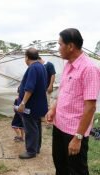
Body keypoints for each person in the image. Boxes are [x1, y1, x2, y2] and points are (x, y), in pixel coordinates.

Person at [45, 28, 100, 175]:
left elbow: (90, 107)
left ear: (70, 46)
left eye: (60, 44)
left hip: (74, 132)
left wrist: (78, 137)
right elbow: (63, 92)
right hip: (59, 125)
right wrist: (53, 109)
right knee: (60, 166)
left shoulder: (89, 69)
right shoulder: (68, 65)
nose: (58, 48)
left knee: (77, 170)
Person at [16, 48, 48, 159]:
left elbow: (29, 88)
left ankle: (30, 151)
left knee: (30, 128)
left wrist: (23, 103)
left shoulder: (33, 68)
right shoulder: (41, 66)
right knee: (36, 126)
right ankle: (36, 148)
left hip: (31, 105)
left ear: (27, 57)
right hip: (39, 104)